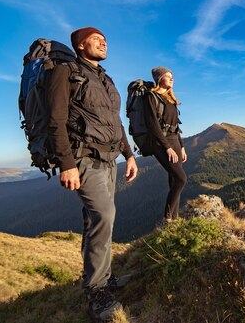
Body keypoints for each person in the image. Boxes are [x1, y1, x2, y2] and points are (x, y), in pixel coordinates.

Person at [45, 26, 138, 322]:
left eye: (105, 39)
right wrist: (66, 163)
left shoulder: (105, 78)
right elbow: (55, 120)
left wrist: (128, 154)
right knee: (104, 216)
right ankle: (96, 292)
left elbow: (115, 122)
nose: (104, 42)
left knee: (94, 221)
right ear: (81, 45)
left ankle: (103, 277)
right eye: (96, 39)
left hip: (109, 159)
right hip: (83, 159)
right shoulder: (65, 72)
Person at [144, 66, 188, 222]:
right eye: (168, 76)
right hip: (161, 143)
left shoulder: (171, 99)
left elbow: (176, 126)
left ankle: (175, 219)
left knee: (174, 179)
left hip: (175, 141)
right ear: (159, 79)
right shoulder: (151, 97)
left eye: (172, 76)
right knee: (181, 179)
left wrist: (181, 146)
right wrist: (167, 148)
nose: (171, 79)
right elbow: (153, 125)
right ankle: (168, 217)